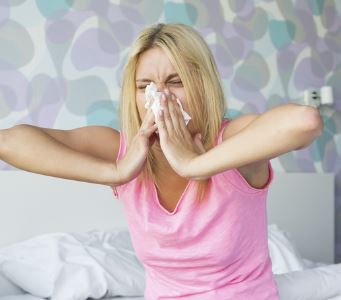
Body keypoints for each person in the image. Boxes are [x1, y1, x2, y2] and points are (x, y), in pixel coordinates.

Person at [0, 23, 323, 299]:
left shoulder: (233, 143)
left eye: (175, 82)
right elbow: (9, 142)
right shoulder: (122, 149)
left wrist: (193, 165)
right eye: (145, 87)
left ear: (202, 84)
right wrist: (118, 169)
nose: (160, 97)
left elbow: (304, 121)